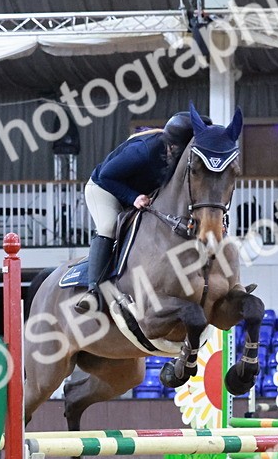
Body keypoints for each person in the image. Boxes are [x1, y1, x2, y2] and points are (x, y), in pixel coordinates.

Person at [76, 110, 208, 313]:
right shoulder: (144, 151)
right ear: (174, 146)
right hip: (105, 188)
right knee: (109, 226)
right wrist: (132, 197)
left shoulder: (183, 155)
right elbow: (106, 176)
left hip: (142, 191)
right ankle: (93, 290)